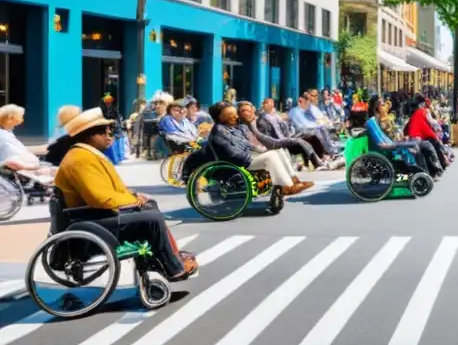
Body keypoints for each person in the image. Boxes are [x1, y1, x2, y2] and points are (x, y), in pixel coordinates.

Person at [50, 108, 197, 281]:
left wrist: (135, 197)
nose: (109, 135)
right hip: (88, 221)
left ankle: (168, 258)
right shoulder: (81, 159)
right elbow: (101, 199)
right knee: (152, 218)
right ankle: (174, 268)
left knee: (151, 206)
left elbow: (111, 190)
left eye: (110, 131)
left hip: (93, 216)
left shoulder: (87, 155)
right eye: (103, 132)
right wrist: (133, 200)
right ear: (89, 136)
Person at [206, 101, 312, 196]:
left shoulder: (230, 127)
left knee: (277, 150)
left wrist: (257, 150)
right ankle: (286, 186)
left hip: (246, 157)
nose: (235, 116)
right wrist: (254, 155)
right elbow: (232, 153)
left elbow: (245, 143)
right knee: (271, 156)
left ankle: (294, 180)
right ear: (221, 117)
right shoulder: (219, 131)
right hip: (239, 163)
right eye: (230, 114)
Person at [238, 100, 330, 171]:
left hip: (271, 143)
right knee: (297, 142)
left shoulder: (254, 121)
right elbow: (264, 140)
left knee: (308, 137)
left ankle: (320, 159)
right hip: (264, 148)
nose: (250, 112)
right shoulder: (249, 124)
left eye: (250, 110)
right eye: (245, 111)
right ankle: (316, 162)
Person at [366, 96, 440, 177]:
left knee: (425, 145)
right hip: (391, 145)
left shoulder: (382, 118)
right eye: (381, 103)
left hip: (394, 142)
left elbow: (388, 135)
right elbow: (385, 138)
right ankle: (425, 174)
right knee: (419, 146)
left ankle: (429, 171)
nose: (384, 105)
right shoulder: (378, 120)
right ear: (377, 106)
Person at [0, 104, 56, 182]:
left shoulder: (7, 133)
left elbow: (20, 151)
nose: (22, 120)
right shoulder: (3, 136)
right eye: (20, 117)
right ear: (10, 119)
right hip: (22, 175)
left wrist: (44, 147)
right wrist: (34, 166)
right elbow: (11, 161)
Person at [405, 95, 447, 173]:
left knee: (427, 151)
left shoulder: (415, 115)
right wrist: (436, 135)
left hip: (415, 139)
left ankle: (432, 171)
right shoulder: (423, 112)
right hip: (418, 139)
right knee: (430, 149)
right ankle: (436, 170)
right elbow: (429, 125)